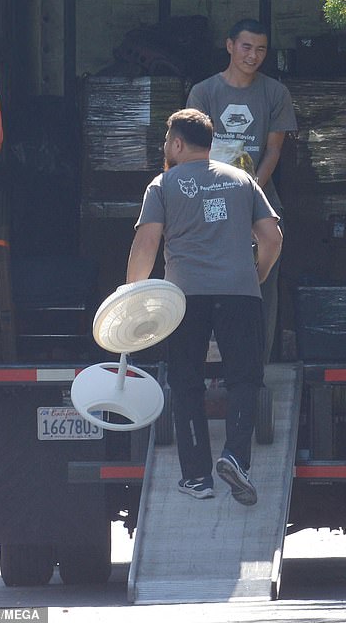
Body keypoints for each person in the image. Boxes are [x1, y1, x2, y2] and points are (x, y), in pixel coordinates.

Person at [126, 108, 283, 505]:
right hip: (240, 293)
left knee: (186, 382)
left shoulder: (161, 186)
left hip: (184, 297)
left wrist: (131, 298)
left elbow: (145, 245)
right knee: (244, 379)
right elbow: (272, 237)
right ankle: (235, 458)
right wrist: (258, 274)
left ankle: (197, 477)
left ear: (177, 144)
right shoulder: (243, 180)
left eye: (166, 142)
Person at [186, 19, 298, 362]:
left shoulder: (275, 93)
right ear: (230, 46)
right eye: (246, 47)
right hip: (209, 199)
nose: (253, 56)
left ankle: (255, 364)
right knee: (203, 279)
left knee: (260, 280)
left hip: (257, 198)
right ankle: (202, 362)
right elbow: (191, 153)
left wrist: (248, 190)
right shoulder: (204, 92)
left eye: (261, 49)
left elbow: (274, 150)